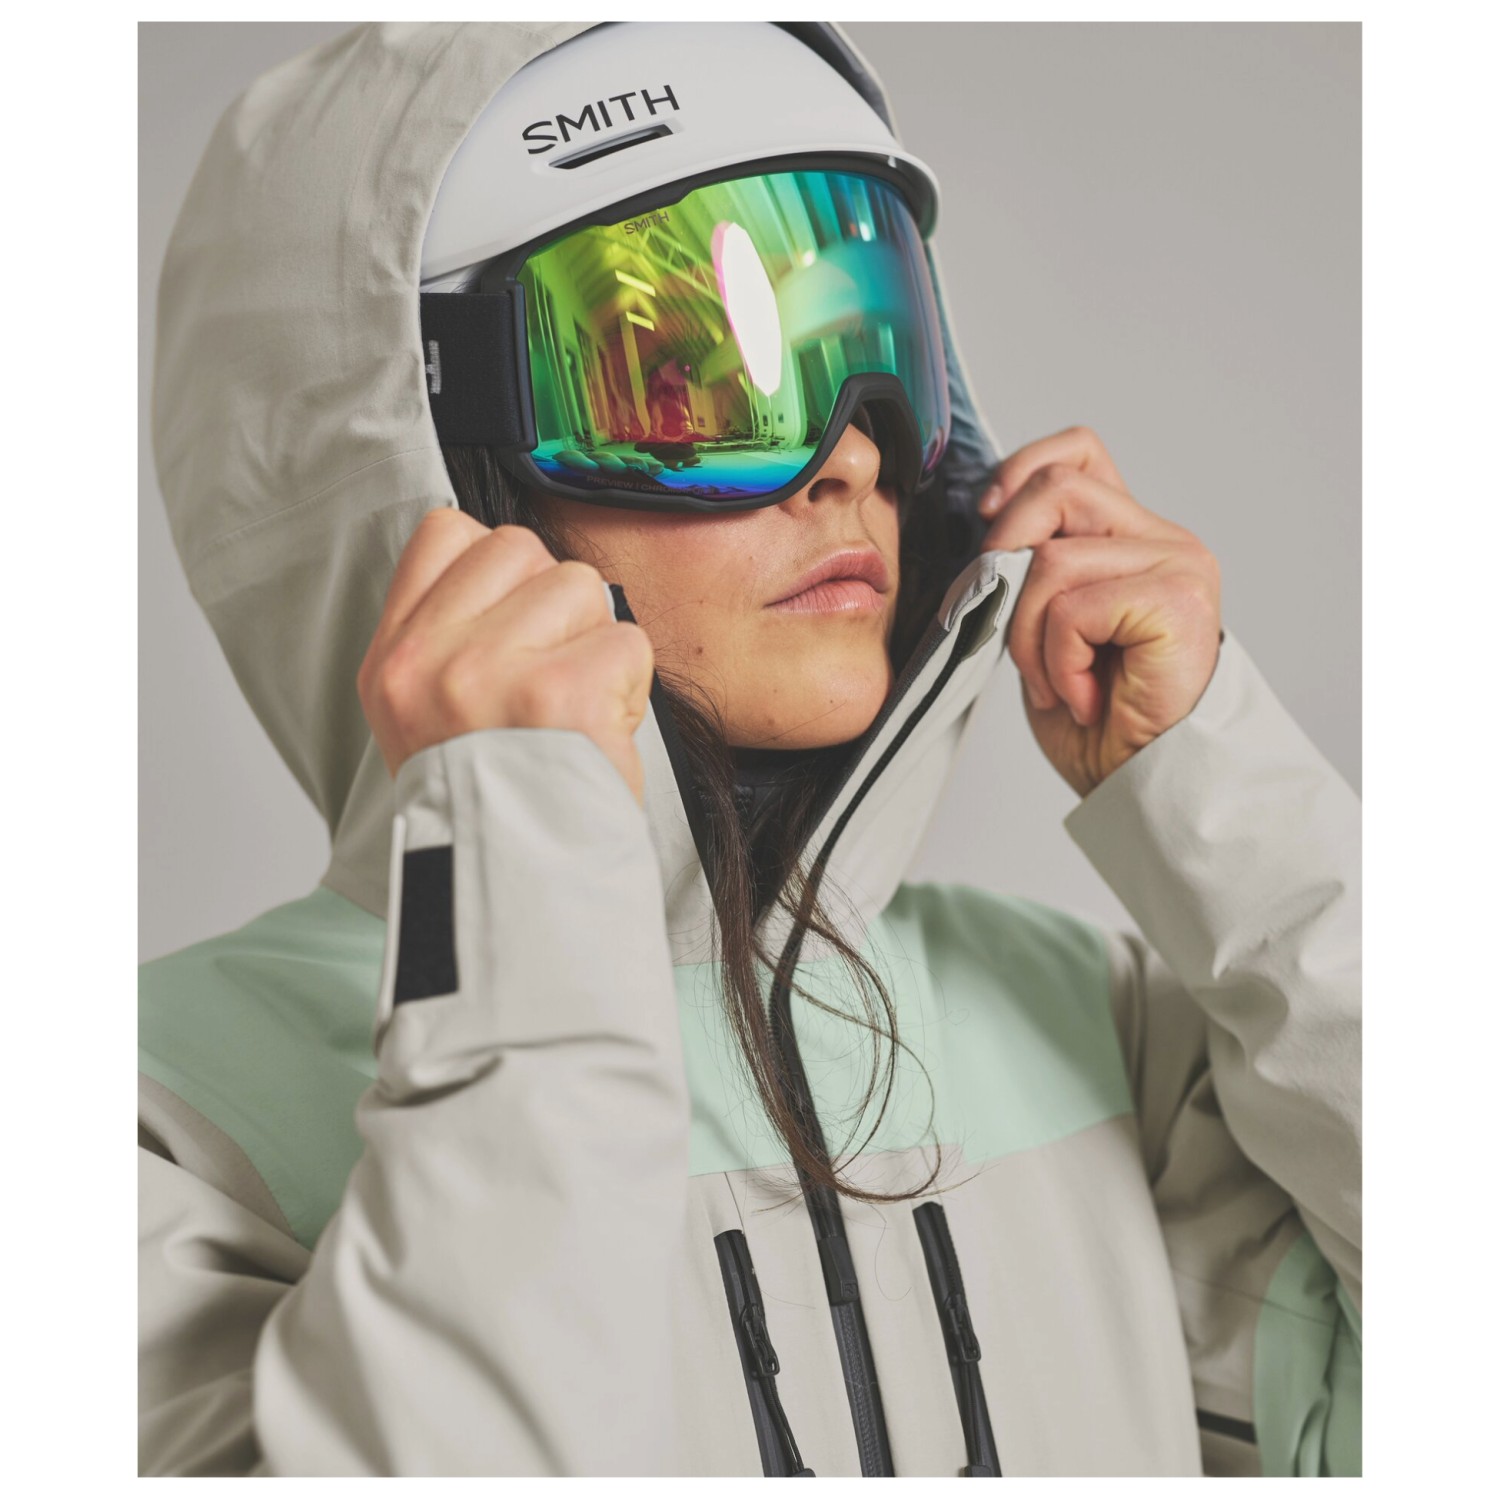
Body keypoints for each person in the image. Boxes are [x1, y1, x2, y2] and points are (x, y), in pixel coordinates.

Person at [140, 21, 1361, 1478]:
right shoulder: (163, 1119)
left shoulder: (1086, 1022)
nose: (851, 455)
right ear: (423, 461)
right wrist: (517, 887)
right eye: (694, 385)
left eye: (871, 356)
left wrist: (1233, 806)